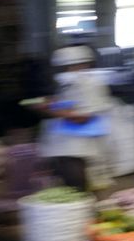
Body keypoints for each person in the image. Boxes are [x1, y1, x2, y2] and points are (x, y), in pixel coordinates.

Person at [35, 45, 113, 192]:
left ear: (84, 65)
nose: (67, 71)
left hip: (79, 150)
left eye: (70, 67)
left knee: (78, 191)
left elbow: (82, 118)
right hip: (68, 147)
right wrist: (53, 102)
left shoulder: (89, 85)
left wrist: (51, 109)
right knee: (70, 190)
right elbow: (71, 105)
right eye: (65, 68)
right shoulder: (72, 83)